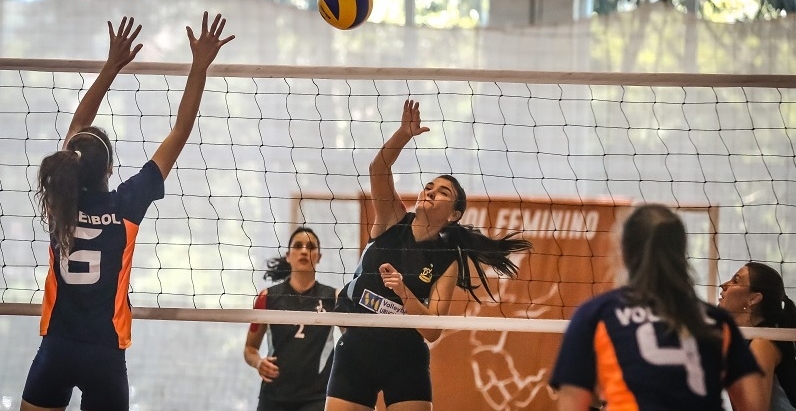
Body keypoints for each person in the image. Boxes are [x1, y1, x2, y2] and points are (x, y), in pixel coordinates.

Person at [21, 12, 234, 411]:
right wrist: (199, 67)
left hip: (58, 348)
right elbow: (180, 131)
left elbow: (79, 127)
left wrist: (110, 65)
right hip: (104, 355)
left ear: (72, 164)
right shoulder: (126, 205)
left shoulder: (59, 200)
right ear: (109, 169)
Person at [324, 99, 533, 411]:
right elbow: (378, 168)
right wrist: (404, 134)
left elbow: (433, 330)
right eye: (429, 187)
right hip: (358, 347)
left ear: (454, 215)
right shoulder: (393, 218)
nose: (430, 192)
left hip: (405, 355)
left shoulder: (446, 259)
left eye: (442, 192)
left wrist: (404, 292)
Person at [550, 203, 764, 411]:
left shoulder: (595, 314)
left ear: (624, 253)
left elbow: (572, 403)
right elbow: (753, 405)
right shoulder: (718, 321)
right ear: (681, 253)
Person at [244, 227, 337, 411]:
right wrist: (258, 362)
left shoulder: (334, 297)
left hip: (317, 397)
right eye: (298, 246)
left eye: (310, 247)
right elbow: (250, 348)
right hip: (274, 396)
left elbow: (351, 345)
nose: (304, 250)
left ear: (319, 256)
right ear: (288, 255)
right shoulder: (267, 297)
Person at [719, 262, 796, 410]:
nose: (724, 285)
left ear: (754, 299)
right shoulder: (744, 340)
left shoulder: (762, 344)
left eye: (736, 280)